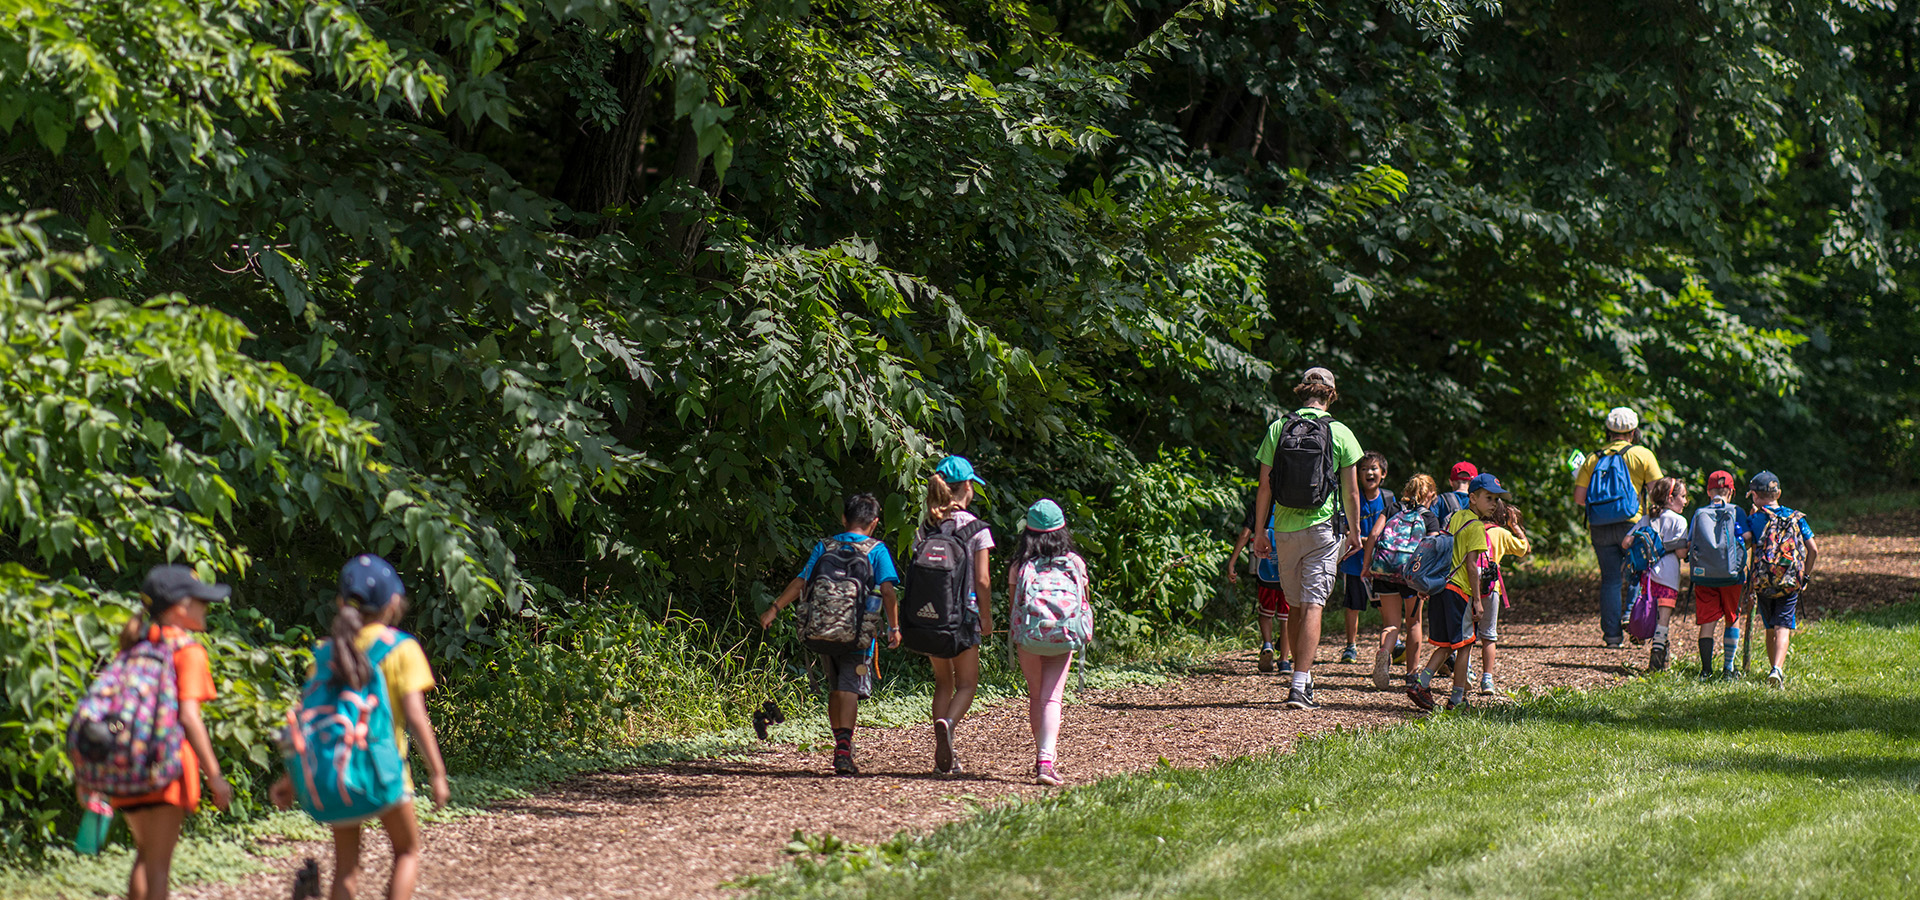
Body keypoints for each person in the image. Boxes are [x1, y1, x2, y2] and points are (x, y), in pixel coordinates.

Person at [271, 555, 450, 900]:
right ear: (393, 603)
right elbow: (415, 716)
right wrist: (437, 773)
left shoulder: (326, 654)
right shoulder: (401, 648)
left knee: (346, 868)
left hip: (338, 774)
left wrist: (290, 780)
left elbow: (307, 723)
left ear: (341, 603)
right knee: (406, 852)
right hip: (386, 776)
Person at [108, 566, 234, 900]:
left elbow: (116, 710)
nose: (207, 608)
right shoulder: (187, 651)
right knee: (158, 865)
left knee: (145, 855)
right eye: (201, 601)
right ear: (180, 608)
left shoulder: (133, 646)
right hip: (167, 768)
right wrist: (215, 776)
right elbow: (190, 718)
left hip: (127, 763)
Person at [758, 494, 902, 774]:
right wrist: (895, 628)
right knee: (849, 687)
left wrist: (775, 608)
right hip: (858, 633)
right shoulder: (877, 549)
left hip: (822, 628)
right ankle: (844, 750)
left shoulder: (825, 546)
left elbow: (803, 581)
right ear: (874, 522)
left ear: (844, 519)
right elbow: (887, 590)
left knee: (837, 688)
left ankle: (841, 745)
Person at [1251, 367, 1364, 711]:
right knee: (1314, 602)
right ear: (1331, 395)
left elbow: (1265, 486)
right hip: (1322, 528)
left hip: (1283, 527)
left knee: (1296, 603)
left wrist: (1259, 532)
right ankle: (1300, 685)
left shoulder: (1278, 427)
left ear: (1301, 392)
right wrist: (1356, 532)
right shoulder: (1340, 431)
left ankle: (1300, 678)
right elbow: (1352, 490)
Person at [1409, 473, 1529, 711]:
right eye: (1489, 498)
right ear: (1472, 497)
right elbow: (1472, 566)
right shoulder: (1475, 527)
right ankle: (1457, 699)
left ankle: (1419, 684)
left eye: (1496, 499)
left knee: (1445, 644)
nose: (1494, 504)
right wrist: (1477, 601)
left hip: (1443, 587)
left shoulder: (1455, 517)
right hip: (1460, 592)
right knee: (1464, 645)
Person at [917, 455, 994, 772]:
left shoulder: (925, 528)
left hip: (931, 616)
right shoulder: (978, 528)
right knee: (967, 684)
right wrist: (986, 618)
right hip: (963, 619)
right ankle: (948, 724)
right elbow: (983, 580)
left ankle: (943, 754)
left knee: (942, 683)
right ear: (966, 487)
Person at [1008, 499, 1092, 786]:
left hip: (1029, 638)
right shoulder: (1075, 563)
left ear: (1028, 533)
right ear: (1062, 530)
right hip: (1064, 637)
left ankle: (1041, 755)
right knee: (1052, 697)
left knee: (1037, 696)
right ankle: (1046, 760)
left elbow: (1015, 608)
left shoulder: (1020, 565)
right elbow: (1083, 604)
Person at [1572, 407, 1664, 648]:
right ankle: (1630, 616)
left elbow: (1580, 498)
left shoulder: (1593, 458)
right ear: (1634, 432)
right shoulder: (1643, 455)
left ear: (1608, 432)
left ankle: (1612, 637)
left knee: (1610, 580)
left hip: (1600, 526)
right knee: (1640, 572)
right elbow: (1658, 493)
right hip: (1632, 525)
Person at [1741, 471, 1818, 688]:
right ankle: (1777, 669)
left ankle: (1771, 667)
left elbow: (1750, 547)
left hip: (1764, 582)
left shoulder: (1754, 520)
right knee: (1783, 626)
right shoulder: (1796, 518)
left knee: (1769, 626)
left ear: (1754, 496)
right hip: (1790, 581)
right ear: (1779, 493)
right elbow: (1813, 549)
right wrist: (1805, 576)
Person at [1367, 474, 1440, 689]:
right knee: (1414, 623)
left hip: (1386, 569)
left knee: (1391, 624)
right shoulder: (1429, 518)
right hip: (1412, 576)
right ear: (1431, 495)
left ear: (1407, 490)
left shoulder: (1392, 509)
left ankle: (1384, 652)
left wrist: (1366, 566)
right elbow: (1433, 549)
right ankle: (1411, 674)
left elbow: (1373, 535)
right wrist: (1429, 580)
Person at [1622, 477, 1690, 671]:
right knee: (1663, 620)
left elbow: (1626, 542)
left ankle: (1662, 656)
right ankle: (1657, 661)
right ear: (1670, 499)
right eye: (1683, 497)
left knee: (1652, 615)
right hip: (1669, 577)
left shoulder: (1647, 519)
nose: (1685, 502)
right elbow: (1681, 553)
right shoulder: (1680, 521)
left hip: (1648, 578)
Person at [1688, 471, 1746, 678]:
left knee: (1707, 621)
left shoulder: (1699, 513)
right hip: (1732, 575)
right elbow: (1747, 537)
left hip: (1704, 576)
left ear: (1708, 491)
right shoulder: (1738, 511)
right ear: (1732, 491)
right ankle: (1728, 669)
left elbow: (1690, 543)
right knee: (1732, 617)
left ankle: (1705, 670)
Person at [1226, 492, 1292, 674]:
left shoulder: (1258, 505)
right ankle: (1284, 660)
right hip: (1287, 570)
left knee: (1266, 612)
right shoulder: (1291, 502)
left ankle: (1268, 643)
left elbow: (1245, 534)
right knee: (1286, 616)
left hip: (1265, 569)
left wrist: (1232, 561)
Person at [1338, 452, 1394, 664]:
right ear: (1357, 475)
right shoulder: (1352, 497)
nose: (1369, 473)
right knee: (1353, 605)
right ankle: (1351, 646)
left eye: (1374, 469)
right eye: (1364, 469)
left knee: (1384, 605)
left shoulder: (1388, 498)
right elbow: (1343, 526)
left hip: (1380, 564)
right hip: (1354, 562)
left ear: (1383, 474)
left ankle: (1390, 645)